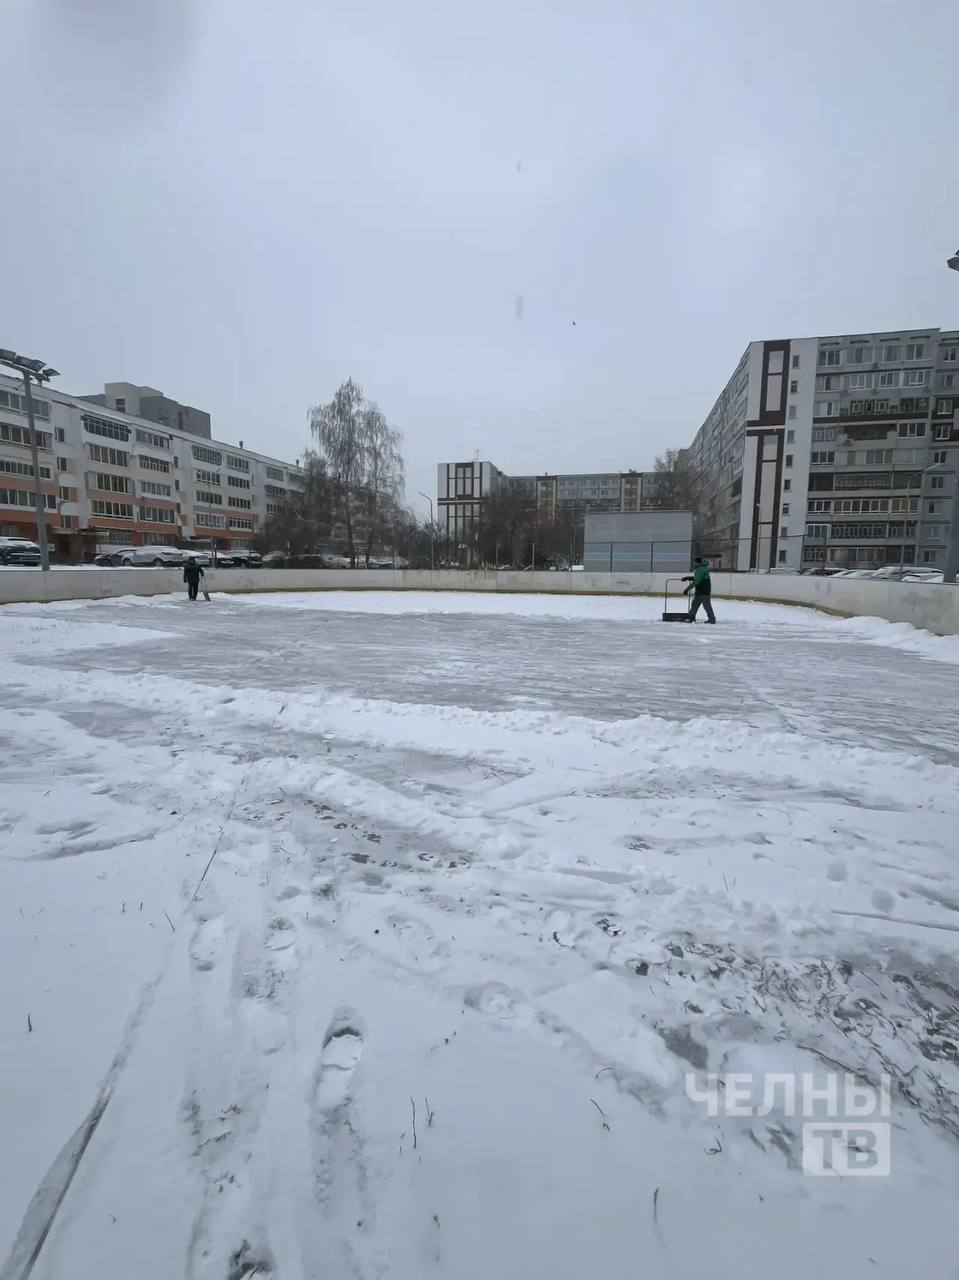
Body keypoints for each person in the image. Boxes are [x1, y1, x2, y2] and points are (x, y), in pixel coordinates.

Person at [683, 557, 715, 623]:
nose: (693, 564)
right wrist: (688, 578)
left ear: (697, 562)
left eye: (694, 562)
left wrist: (687, 589)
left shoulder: (701, 569)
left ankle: (712, 619)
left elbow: (696, 581)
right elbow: (699, 578)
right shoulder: (702, 568)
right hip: (701, 591)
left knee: (706, 606)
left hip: (703, 592)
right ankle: (691, 618)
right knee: (695, 604)